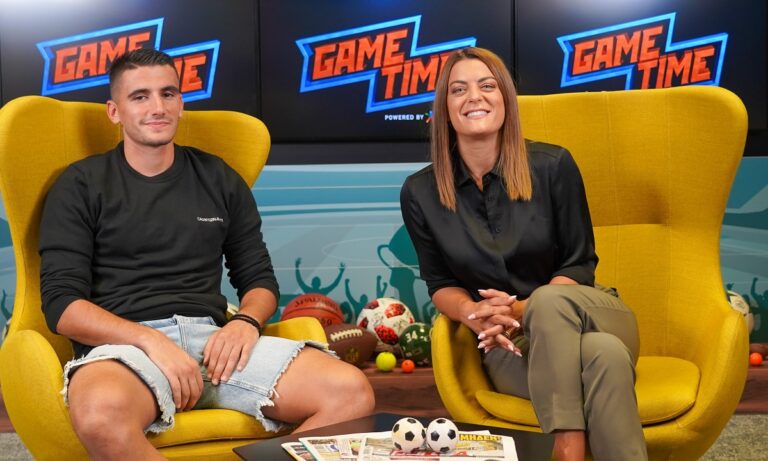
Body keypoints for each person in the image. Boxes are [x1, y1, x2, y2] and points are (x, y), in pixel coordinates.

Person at [39, 49, 374, 460]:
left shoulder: (218, 178)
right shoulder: (80, 184)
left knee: (352, 394)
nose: (157, 107)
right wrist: (149, 340)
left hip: (216, 343)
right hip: (126, 347)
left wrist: (245, 322)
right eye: (140, 96)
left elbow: (259, 280)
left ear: (181, 103)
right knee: (99, 416)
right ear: (115, 111)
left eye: (168, 93)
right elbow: (62, 306)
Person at [399, 47, 647, 461]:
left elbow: (579, 263)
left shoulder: (553, 165)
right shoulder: (420, 192)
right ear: (444, 109)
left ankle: (567, 444)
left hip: (590, 314)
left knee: (549, 301)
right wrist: (475, 313)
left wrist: (517, 309)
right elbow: (440, 283)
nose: (474, 97)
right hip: (509, 346)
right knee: (605, 358)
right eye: (458, 89)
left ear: (505, 99)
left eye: (487, 85)